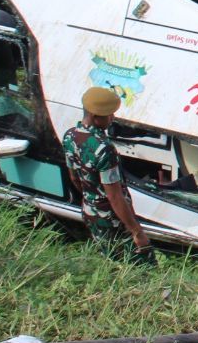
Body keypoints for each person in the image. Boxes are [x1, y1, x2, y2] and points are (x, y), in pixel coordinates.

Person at [63, 87, 151, 260]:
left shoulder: (70, 136)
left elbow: (74, 177)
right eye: (109, 115)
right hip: (113, 219)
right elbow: (115, 197)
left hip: (90, 212)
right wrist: (136, 231)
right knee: (141, 266)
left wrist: (92, 199)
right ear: (95, 117)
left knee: (110, 260)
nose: (113, 118)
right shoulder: (104, 149)